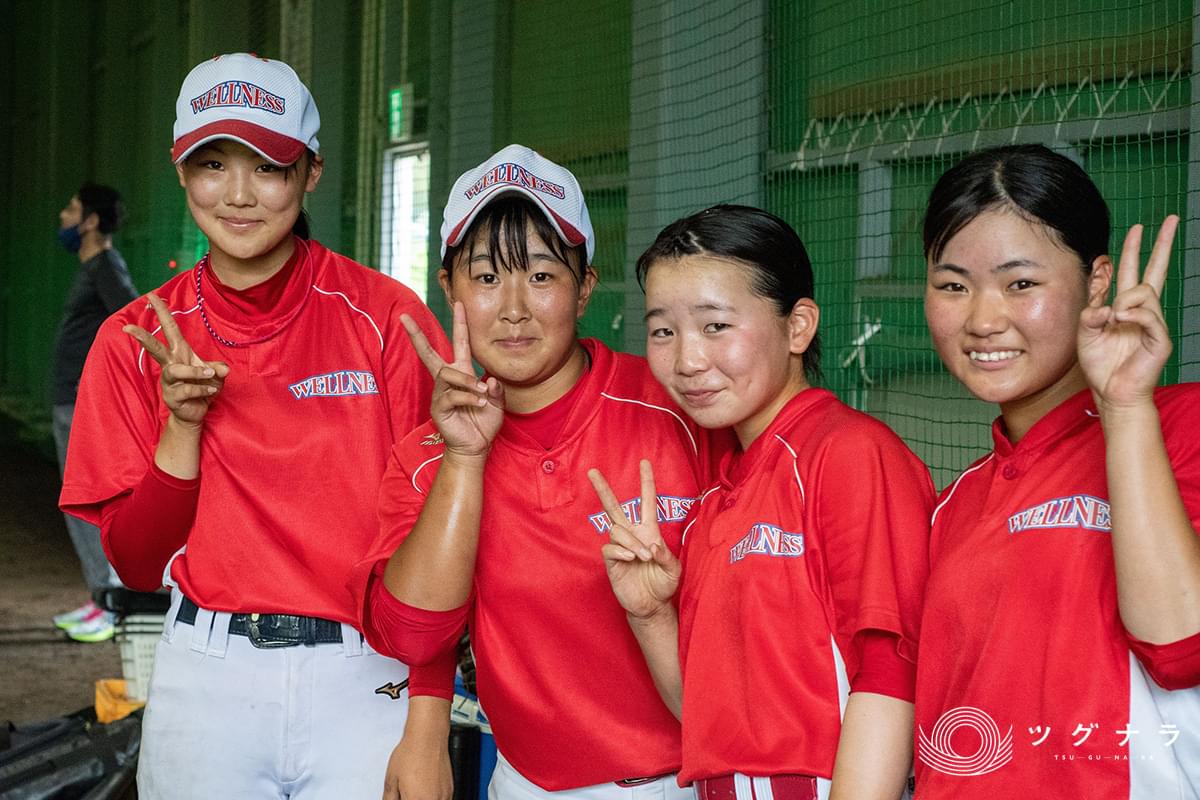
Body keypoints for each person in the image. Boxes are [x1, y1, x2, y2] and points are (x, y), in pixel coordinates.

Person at [59, 53, 449, 799]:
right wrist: (183, 428)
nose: (238, 194)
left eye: (268, 166)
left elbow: (441, 541)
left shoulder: (389, 322)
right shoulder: (134, 338)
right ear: (181, 172)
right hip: (207, 678)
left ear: (310, 174)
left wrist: (428, 720)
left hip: (366, 676)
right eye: (212, 163)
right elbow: (139, 567)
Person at [352, 144, 726, 800]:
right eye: (488, 278)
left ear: (585, 286)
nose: (515, 308)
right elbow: (413, 632)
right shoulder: (426, 456)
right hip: (526, 785)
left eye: (543, 276)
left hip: (690, 779)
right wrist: (464, 459)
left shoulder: (677, 408)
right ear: (450, 290)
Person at [588, 205, 934, 800]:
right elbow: (703, 715)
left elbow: (889, 671)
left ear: (798, 326)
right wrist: (650, 615)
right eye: (663, 331)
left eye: (715, 326)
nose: (687, 360)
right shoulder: (717, 495)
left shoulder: (847, 453)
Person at [915, 144, 1200, 799]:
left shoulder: (1179, 429)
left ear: (1097, 281)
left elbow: (1180, 646)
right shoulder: (949, 507)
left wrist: (1125, 406)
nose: (984, 320)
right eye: (953, 285)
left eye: (1021, 284)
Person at [50, 182, 139, 642]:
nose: (63, 216)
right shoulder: (90, 267)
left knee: (89, 502)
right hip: (69, 400)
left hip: (83, 403)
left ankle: (111, 604)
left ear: (88, 221)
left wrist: (103, 391)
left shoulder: (106, 266)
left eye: (70, 208)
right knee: (77, 505)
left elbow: (134, 322)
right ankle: (97, 598)